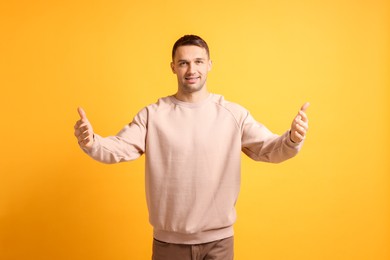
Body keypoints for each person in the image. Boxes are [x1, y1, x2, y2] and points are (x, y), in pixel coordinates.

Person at [74, 35, 309, 260]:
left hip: (219, 243)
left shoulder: (233, 115)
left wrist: (292, 139)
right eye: (183, 63)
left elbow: (269, 148)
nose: (191, 70)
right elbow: (119, 148)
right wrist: (92, 141)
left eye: (198, 62)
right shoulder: (153, 115)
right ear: (173, 67)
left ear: (209, 65)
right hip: (169, 244)